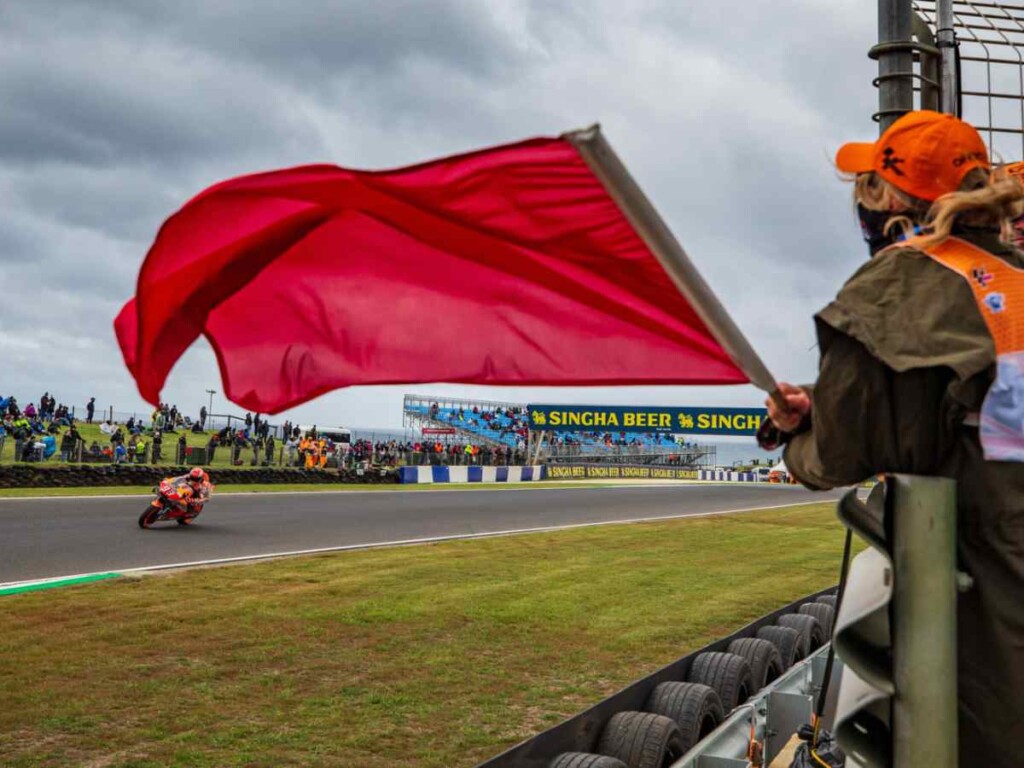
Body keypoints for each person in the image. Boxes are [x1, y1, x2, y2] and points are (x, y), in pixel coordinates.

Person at [763, 110, 1024, 767]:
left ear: (891, 201)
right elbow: (967, 400)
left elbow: (847, 449)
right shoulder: (1011, 280)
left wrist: (795, 437)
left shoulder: (909, 281)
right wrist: (821, 406)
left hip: (992, 601)